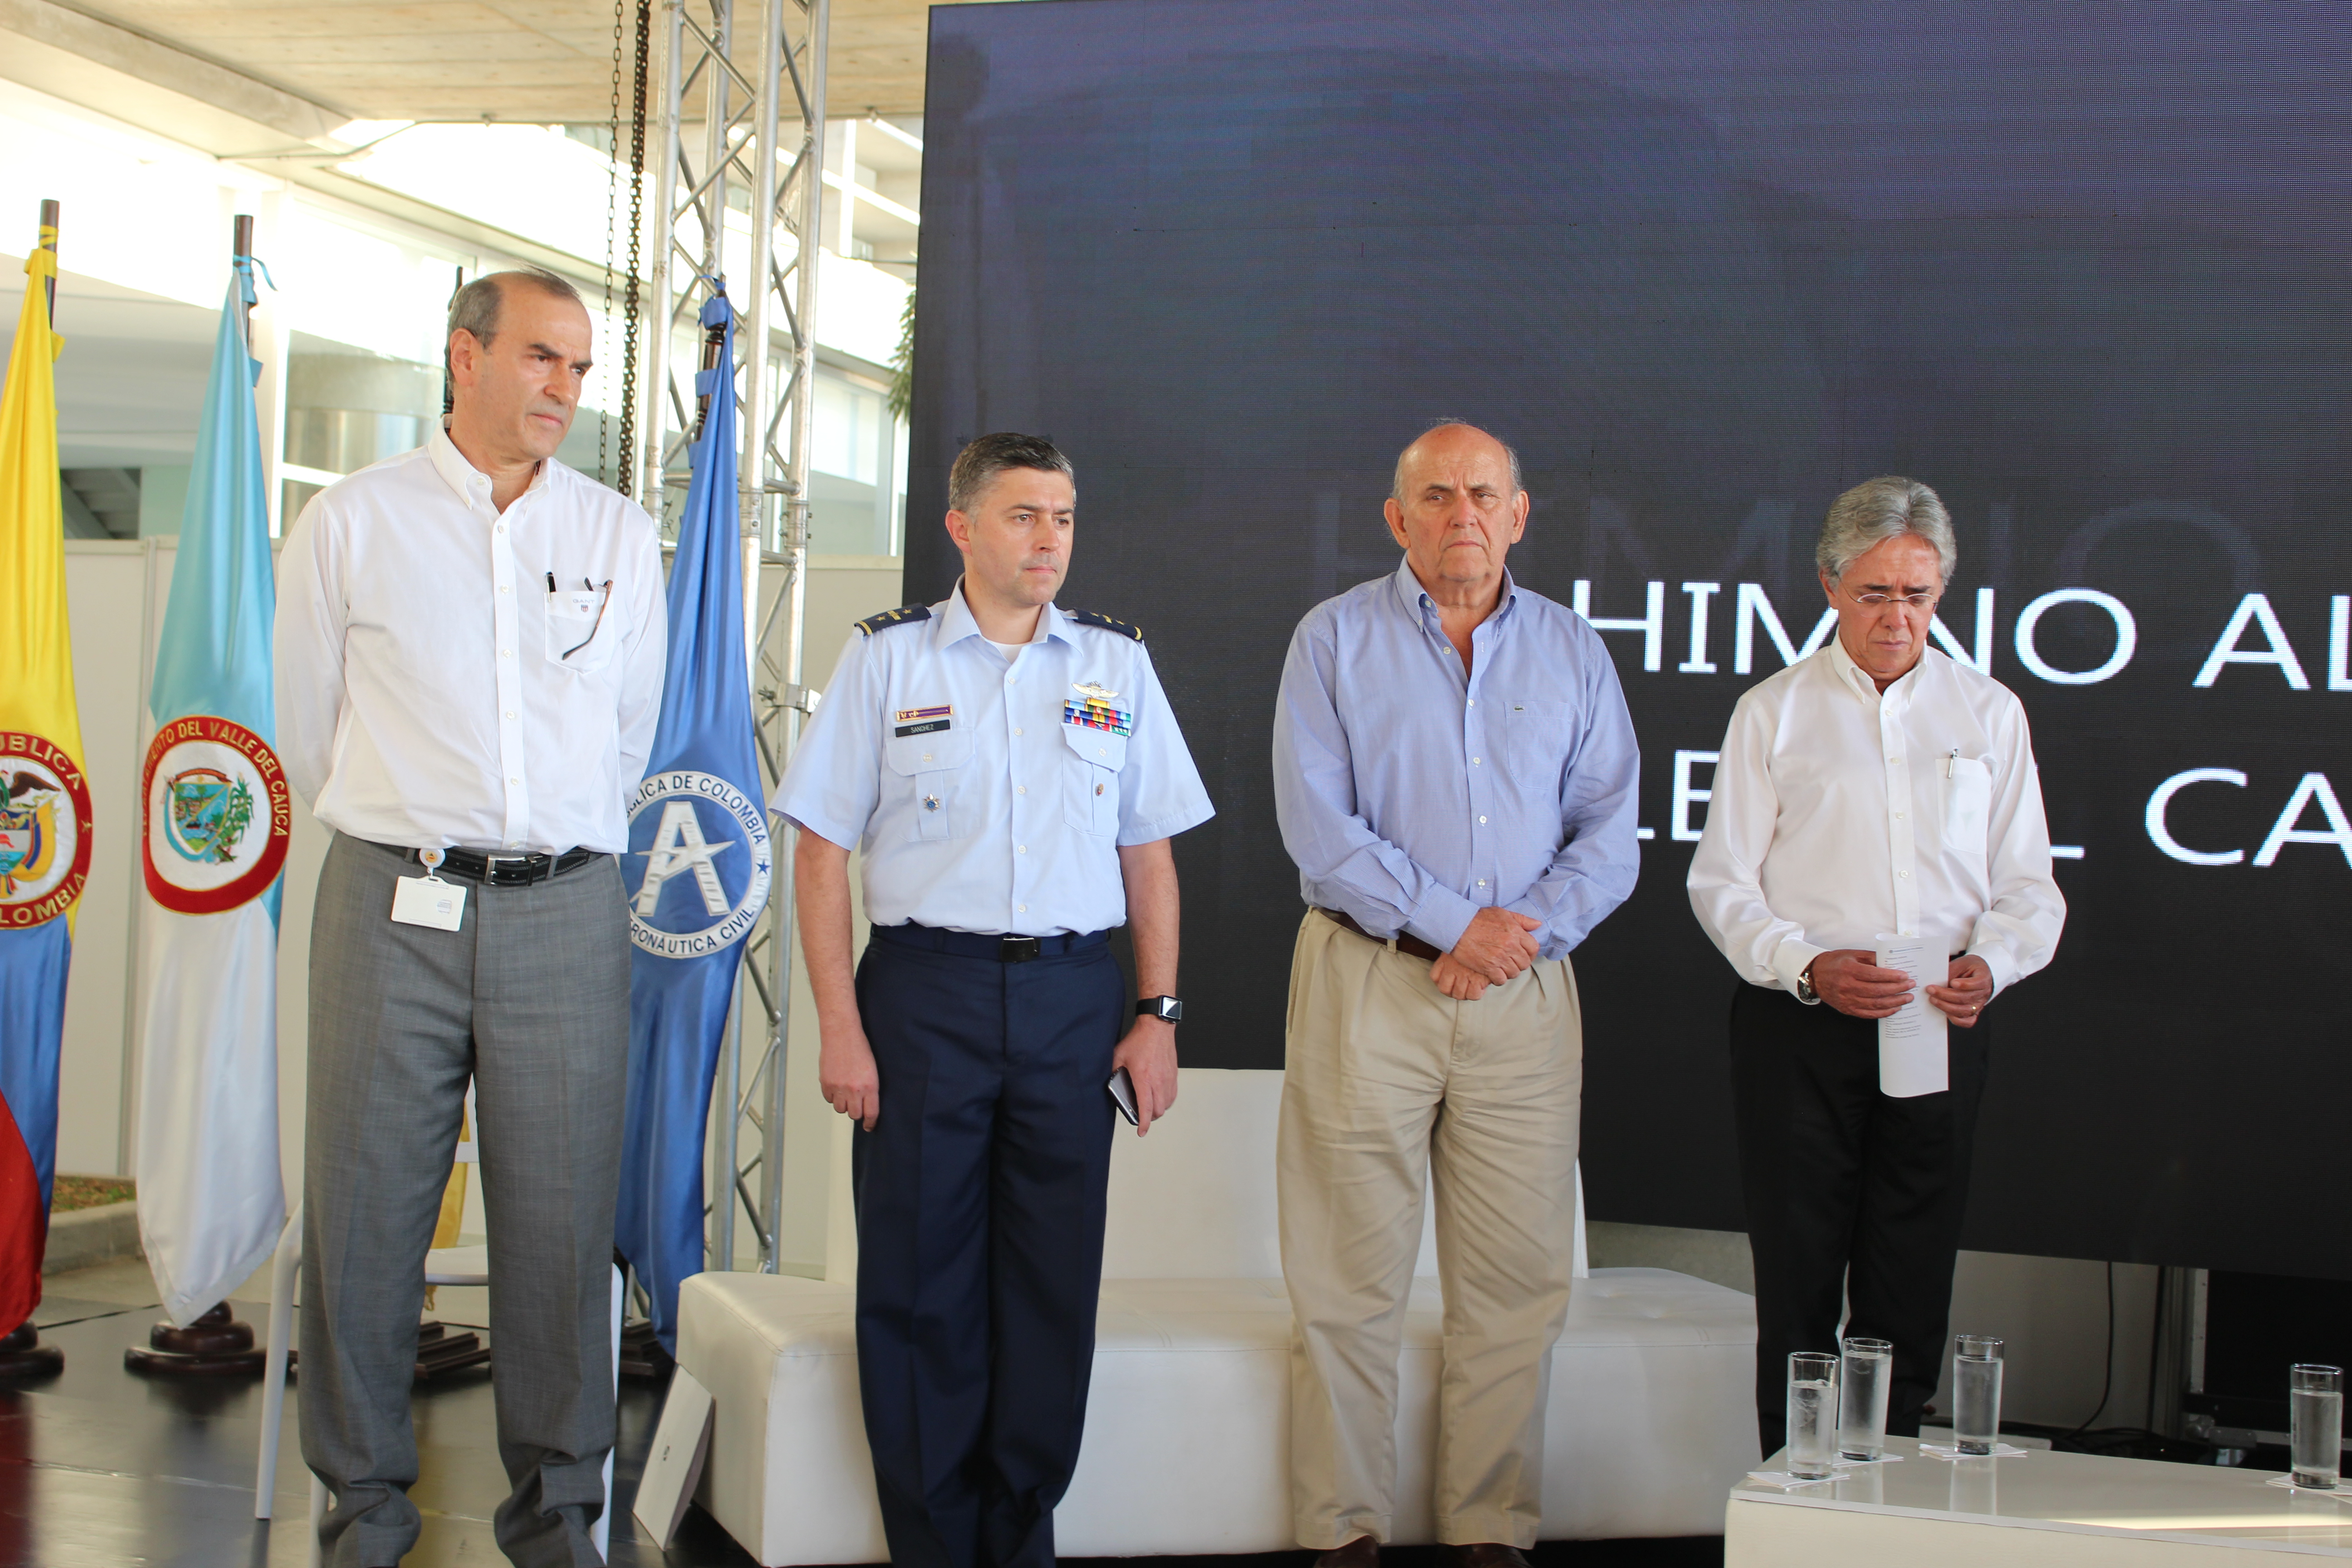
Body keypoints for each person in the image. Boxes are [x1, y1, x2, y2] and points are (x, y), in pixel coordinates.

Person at [275, 268, 666, 1566]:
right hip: (392, 897)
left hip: (563, 908)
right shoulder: (351, 522)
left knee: (559, 1231)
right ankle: (366, 1514)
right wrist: (418, 825)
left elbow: (627, 737)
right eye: (544, 359)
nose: (566, 389)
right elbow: (308, 725)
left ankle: (558, 1521)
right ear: (467, 356)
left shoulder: (616, 534)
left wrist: (531, 845)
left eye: (580, 368)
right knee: (364, 1212)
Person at [775, 432, 1214, 1568]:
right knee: (921, 1284)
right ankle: (932, 1547)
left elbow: (1150, 853)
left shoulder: (1115, 666)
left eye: (1064, 517)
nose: (1050, 540)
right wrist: (840, 1024)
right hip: (927, 994)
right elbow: (820, 853)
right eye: (1024, 516)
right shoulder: (888, 663)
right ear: (963, 528)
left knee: (1049, 1284)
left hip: (1075, 997)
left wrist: (1157, 1016)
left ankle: (1020, 1542)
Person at [1270, 421, 1640, 1568]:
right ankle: (1344, 1532)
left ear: (1520, 515)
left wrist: (1508, 942)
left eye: (1484, 495)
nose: (1461, 516)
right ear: (1398, 519)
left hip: (1523, 996)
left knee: (1518, 1284)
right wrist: (1455, 928)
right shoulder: (1331, 641)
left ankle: (1492, 1533)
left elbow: (1609, 836)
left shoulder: (1574, 653)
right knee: (1345, 1281)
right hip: (1365, 980)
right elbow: (1320, 837)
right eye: (1436, 496)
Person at [1687, 475, 2065, 1458]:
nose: (1898, 618)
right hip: (1799, 1023)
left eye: (1918, 595)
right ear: (1828, 584)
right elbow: (1721, 885)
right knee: (1801, 1276)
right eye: (1875, 594)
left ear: (1942, 593)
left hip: (1936, 1018)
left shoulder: (1990, 713)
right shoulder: (1773, 712)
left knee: (1911, 1275)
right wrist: (1809, 966)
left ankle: (1885, 1492)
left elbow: (2031, 888)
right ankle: (1796, 1489)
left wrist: (1996, 964)